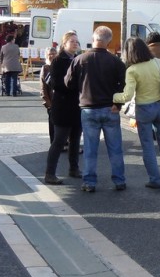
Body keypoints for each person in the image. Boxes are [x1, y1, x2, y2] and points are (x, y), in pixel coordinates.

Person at [64, 26, 127, 193]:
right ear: (109, 41)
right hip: (110, 108)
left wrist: (81, 88)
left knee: (90, 149)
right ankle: (119, 180)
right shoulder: (115, 61)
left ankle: (89, 182)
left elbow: (68, 82)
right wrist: (118, 104)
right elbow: (125, 84)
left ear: (93, 39)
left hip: (88, 108)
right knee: (115, 148)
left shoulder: (80, 59)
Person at [114, 37, 160, 189]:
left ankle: (155, 180)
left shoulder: (132, 70)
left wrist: (112, 96)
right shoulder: (157, 63)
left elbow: (127, 96)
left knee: (148, 146)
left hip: (144, 109)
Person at [44, 33, 82, 185]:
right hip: (62, 106)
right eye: (71, 41)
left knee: (75, 140)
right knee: (59, 141)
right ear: (64, 44)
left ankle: (74, 168)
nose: (75, 44)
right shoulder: (58, 61)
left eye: (76, 41)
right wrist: (75, 86)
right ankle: (50, 173)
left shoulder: (77, 59)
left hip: (77, 105)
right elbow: (56, 84)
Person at [40, 47, 58, 142]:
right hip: (51, 101)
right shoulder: (46, 68)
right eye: (49, 54)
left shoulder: (60, 66)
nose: (52, 55)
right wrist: (48, 104)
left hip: (61, 101)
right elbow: (43, 88)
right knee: (52, 123)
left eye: (54, 53)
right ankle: (54, 142)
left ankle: (64, 142)